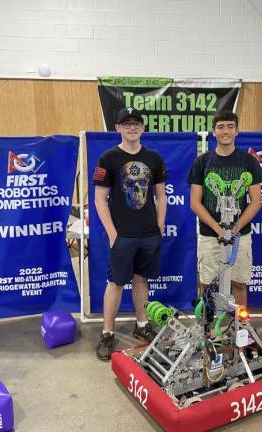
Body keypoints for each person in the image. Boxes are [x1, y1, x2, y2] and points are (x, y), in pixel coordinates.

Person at [93, 107, 168, 361]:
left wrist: (159, 227)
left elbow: (161, 195)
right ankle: (106, 332)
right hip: (122, 234)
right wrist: (112, 233)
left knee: (141, 279)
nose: (132, 127)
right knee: (115, 283)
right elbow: (100, 200)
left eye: (136, 123)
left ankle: (142, 324)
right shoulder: (108, 158)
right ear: (117, 128)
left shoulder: (154, 158)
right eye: (126, 123)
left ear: (143, 128)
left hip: (148, 233)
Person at [187, 110, 262, 306]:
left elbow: (256, 202)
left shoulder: (248, 162)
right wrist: (219, 229)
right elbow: (195, 203)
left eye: (230, 126)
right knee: (206, 283)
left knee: (239, 283)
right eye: (220, 127)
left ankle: (239, 329)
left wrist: (234, 229)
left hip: (241, 236)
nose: (225, 131)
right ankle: (208, 328)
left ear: (237, 131)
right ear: (213, 131)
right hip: (209, 235)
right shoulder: (202, 162)